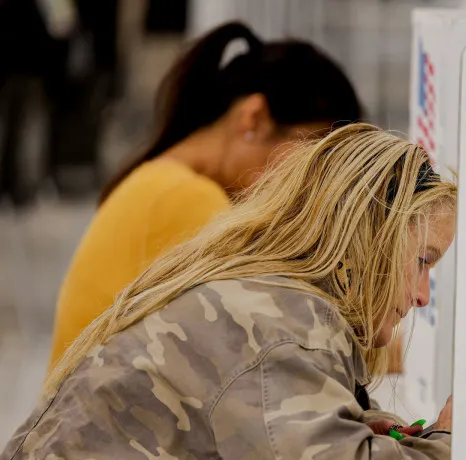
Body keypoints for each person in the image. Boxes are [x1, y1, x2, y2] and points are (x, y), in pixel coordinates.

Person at [0, 124, 457, 460]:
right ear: (368, 238)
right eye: (422, 262)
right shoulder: (283, 325)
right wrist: (455, 448)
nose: (422, 295)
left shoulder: (271, 297)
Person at [47, 21, 362, 370]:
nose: (314, 181)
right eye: (312, 154)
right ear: (254, 118)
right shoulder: (185, 199)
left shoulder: (162, 179)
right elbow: (275, 351)